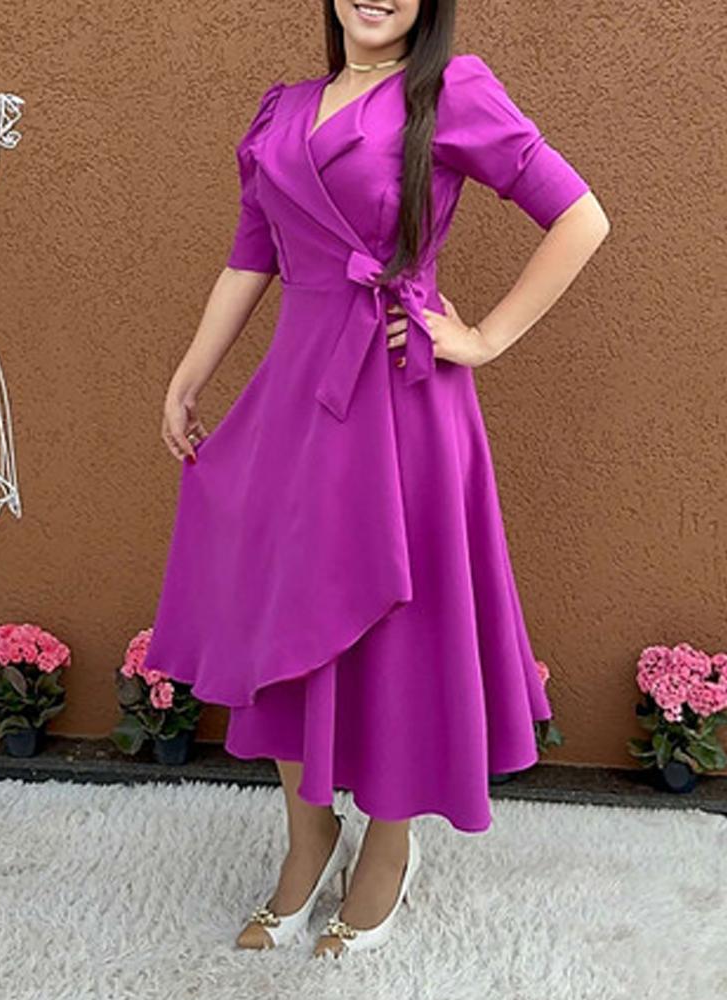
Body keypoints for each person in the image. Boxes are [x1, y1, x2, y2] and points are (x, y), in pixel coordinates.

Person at [146, 0, 610, 960]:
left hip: (402, 395)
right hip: (295, 397)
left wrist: (483, 337)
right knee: (276, 607)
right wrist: (189, 375)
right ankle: (308, 836)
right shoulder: (282, 110)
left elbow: (580, 216)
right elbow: (250, 259)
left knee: (400, 620)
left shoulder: (452, 91)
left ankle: (390, 847)